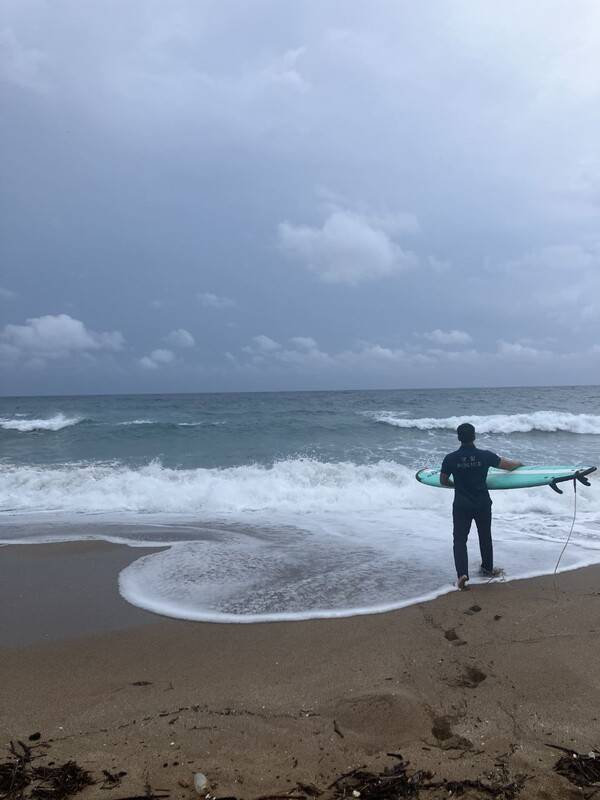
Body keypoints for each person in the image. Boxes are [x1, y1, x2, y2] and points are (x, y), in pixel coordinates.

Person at [440, 422, 522, 591]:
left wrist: (455, 485)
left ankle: (462, 574)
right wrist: (519, 464)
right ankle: (487, 569)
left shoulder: (450, 458)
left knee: (460, 540)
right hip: (482, 503)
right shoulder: (485, 456)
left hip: (461, 504)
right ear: (474, 436)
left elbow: (443, 480)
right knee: (485, 536)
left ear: (458, 438)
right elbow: (508, 465)